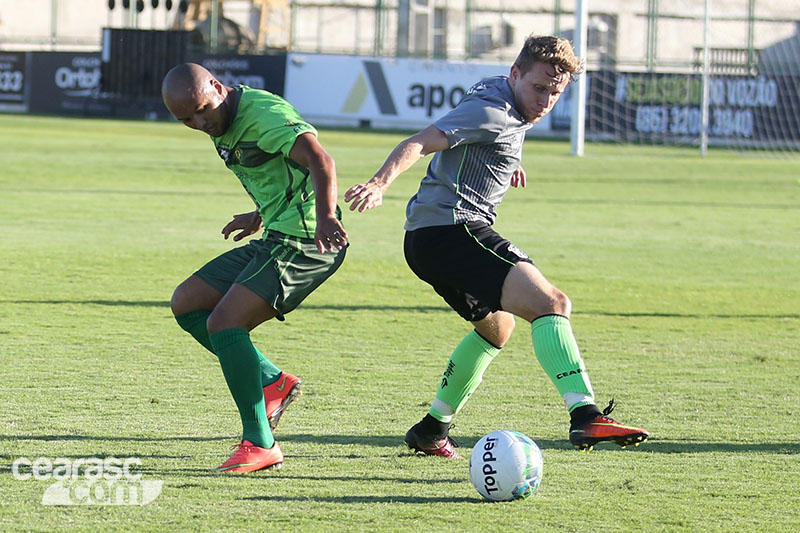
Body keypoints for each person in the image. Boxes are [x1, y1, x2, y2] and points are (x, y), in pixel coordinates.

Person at [344, 35, 648, 457]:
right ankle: (586, 416)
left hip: (425, 240)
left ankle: (432, 428)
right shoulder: (491, 111)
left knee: (497, 328)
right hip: (453, 230)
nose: (545, 100)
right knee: (552, 303)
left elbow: (495, 130)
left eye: (555, 92)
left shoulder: (499, 93)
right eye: (538, 88)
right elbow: (420, 141)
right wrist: (379, 183)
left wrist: (507, 158)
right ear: (516, 74)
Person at [162, 63, 348, 472]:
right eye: (186, 119)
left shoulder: (263, 114)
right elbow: (278, 171)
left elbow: (320, 159)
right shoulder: (220, 123)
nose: (199, 122)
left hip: (307, 242)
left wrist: (325, 216)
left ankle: (260, 442)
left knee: (224, 323)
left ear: (216, 85)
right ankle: (271, 381)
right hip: (276, 235)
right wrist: (259, 214)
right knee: (187, 303)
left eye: (201, 108)